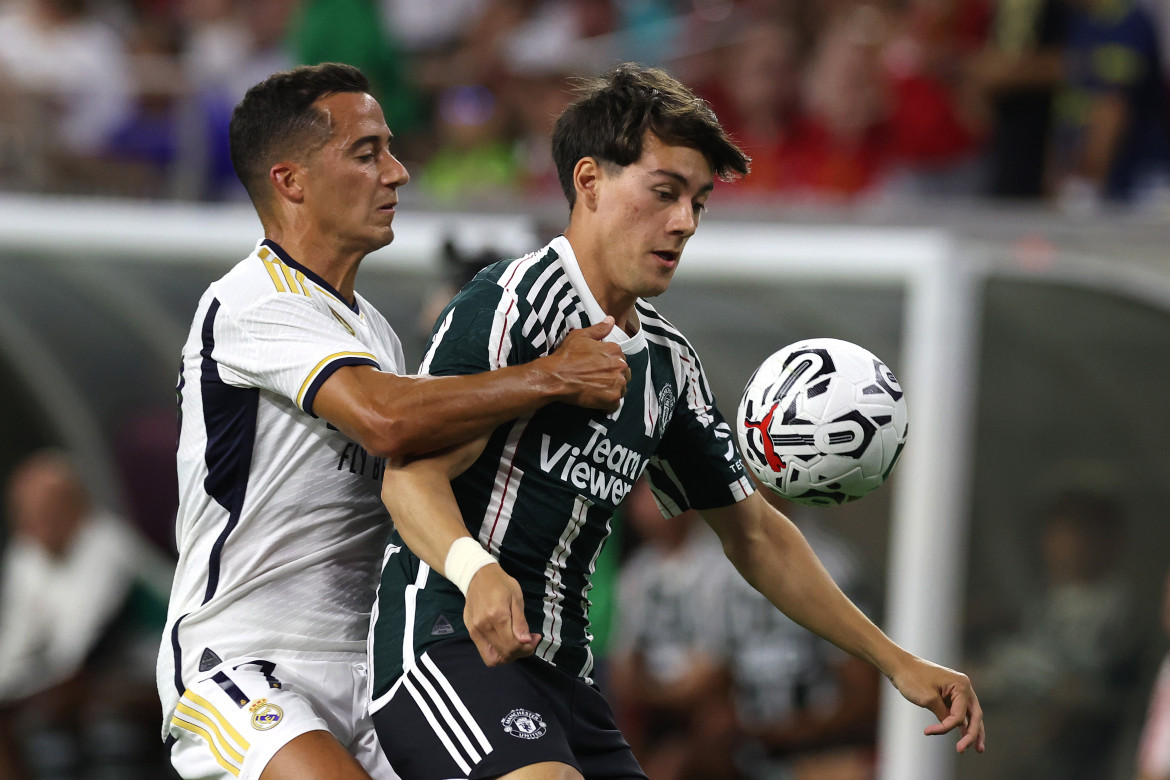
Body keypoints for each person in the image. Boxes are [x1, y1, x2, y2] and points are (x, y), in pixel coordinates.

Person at [367, 62, 986, 780]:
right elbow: (408, 477)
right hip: (447, 644)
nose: (684, 222)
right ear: (590, 182)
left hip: (563, 677)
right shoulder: (512, 303)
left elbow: (754, 534)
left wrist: (895, 660)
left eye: (698, 202)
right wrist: (476, 573)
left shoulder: (667, 365)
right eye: (664, 194)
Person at [155, 63, 630, 780]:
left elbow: (436, 452)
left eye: (390, 149)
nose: (399, 173)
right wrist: (548, 375)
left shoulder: (373, 331)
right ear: (291, 181)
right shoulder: (252, 299)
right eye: (367, 152)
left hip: (376, 667)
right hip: (245, 660)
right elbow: (386, 423)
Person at [0, 450, 173, 778]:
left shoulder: (107, 546)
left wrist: (18, 693)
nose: (37, 520)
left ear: (76, 507)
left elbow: (76, 653)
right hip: (97, 679)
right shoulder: (25, 556)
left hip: (160, 670)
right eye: (27, 511)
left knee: (81, 715)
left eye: (48, 508)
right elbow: (14, 646)